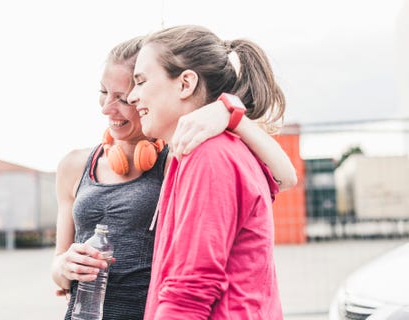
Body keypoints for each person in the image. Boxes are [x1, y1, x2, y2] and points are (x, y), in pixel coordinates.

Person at [52, 34, 294, 320]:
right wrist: (64, 266)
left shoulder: (182, 153)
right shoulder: (75, 164)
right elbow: (58, 266)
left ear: (184, 85)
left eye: (130, 89)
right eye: (103, 92)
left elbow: (284, 178)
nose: (110, 106)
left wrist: (228, 112)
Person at [127, 25, 285, 319]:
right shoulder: (213, 150)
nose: (132, 96)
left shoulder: (209, 156)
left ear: (185, 84)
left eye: (141, 81)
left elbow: (190, 291)